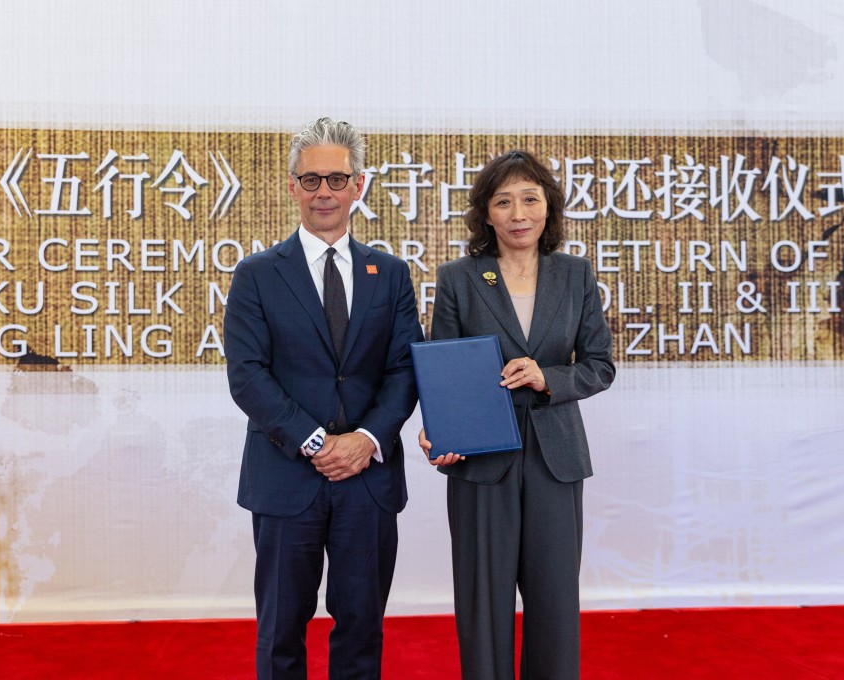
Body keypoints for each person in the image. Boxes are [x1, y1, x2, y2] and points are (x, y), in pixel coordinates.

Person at [225, 117, 424, 680]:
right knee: (281, 630)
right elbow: (248, 376)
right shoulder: (257, 275)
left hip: (368, 479)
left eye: (337, 180)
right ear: (292, 187)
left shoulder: (389, 274)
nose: (324, 193)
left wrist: (363, 440)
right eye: (311, 180)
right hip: (287, 479)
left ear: (358, 185)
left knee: (361, 627)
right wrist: (316, 443)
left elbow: (404, 370)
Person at [419, 150, 615, 679]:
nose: (518, 212)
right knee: (483, 602)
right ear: (487, 214)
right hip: (481, 455)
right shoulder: (461, 277)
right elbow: (446, 366)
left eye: (530, 198)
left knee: (554, 601)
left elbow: (600, 366)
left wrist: (548, 377)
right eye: (503, 202)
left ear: (549, 207)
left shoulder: (574, 274)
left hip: (556, 458)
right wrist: (439, 427)